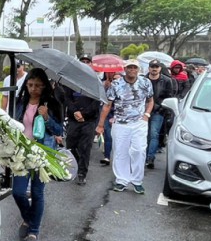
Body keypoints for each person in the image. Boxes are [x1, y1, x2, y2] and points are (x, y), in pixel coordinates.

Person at [10, 68, 63, 241]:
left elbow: (58, 130)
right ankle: (28, 219)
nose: (33, 89)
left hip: (42, 153)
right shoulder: (20, 102)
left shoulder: (52, 104)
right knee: (17, 192)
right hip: (21, 153)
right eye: (30, 85)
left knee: (38, 192)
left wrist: (46, 117)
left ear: (45, 87)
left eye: (38, 86)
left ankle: (34, 231)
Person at [96, 60, 154, 195]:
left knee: (139, 151)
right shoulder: (116, 84)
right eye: (129, 67)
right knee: (120, 153)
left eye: (135, 67)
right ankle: (122, 180)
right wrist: (100, 125)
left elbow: (150, 100)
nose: (132, 70)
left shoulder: (146, 83)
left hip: (139, 123)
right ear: (125, 69)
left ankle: (137, 181)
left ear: (138, 70)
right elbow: (107, 105)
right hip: (120, 124)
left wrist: (146, 114)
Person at [62, 82, 102, 186]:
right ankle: (77, 164)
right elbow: (67, 99)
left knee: (85, 147)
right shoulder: (70, 82)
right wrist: (75, 111)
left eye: (88, 63)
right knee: (70, 145)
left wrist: (83, 113)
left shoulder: (95, 83)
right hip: (73, 119)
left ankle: (82, 173)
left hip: (89, 120)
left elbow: (96, 102)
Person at [144, 60, 175, 169]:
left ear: (160, 69)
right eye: (152, 66)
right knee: (144, 135)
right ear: (149, 68)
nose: (154, 69)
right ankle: (143, 156)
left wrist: (161, 108)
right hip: (144, 112)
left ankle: (150, 157)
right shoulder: (143, 79)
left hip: (158, 112)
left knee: (154, 134)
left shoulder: (167, 81)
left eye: (156, 67)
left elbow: (169, 96)